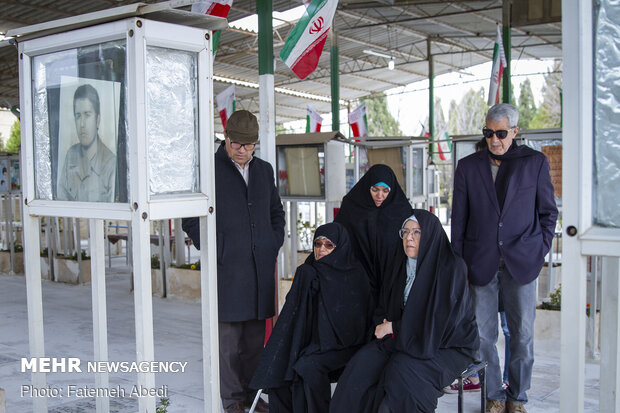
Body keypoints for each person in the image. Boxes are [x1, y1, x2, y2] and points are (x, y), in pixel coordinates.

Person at [451, 103, 558, 413]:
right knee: (484, 336)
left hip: (522, 263)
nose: (494, 139)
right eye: (488, 133)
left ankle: (518, 398)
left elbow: (548, 212)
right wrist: (461, 263)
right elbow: (459, 219)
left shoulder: (533, 163)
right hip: (480, 261)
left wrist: (539, 251)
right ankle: (494, 395)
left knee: (522, 335)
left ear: (514, 131)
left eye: (500, 133)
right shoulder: (468, 167)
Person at [182, 110, 285, 413]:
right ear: (225, 137)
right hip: (227, 271)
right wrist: (217, 249)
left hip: (259, 270)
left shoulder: (264, 170)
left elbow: (275, 213)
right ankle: (231, 401)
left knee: (254, 343)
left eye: (249, 144)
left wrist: (272, 243)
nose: (242, 149)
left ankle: (253, 397)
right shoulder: (208, 171)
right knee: (228, 345)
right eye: (237, 143)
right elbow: (190, 218)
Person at [330, 210, 479, 413]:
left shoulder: (451, 268)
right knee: (360, 366)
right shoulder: (400, 264)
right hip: (404, 338)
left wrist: (394, 327)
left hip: (447, 345)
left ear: (430, 234)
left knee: (402, 373)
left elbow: (440, 322)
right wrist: (388, 326)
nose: (409, 237)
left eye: (417, 232)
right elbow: (384, 306)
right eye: (405, 232)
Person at [250, 222, 372, 413]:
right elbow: (295, 314)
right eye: (318, 243)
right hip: (314, 341)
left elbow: (355, 323)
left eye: (329, 245)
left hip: (345, 344)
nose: (322, 249)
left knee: (308, 367)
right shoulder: (308, 270)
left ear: (340, 247)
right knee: (282, 368)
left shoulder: (354, 274)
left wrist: (322, 344)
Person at [334, 164, 412, 301]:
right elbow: (337, 237)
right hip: (358, 280)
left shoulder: (401, 210)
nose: (379, 196)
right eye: (375, 189)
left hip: (391, 281)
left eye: (385, 190)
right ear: (367, 186)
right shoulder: (352, 206)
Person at [58, 84, 116, 202]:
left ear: (98, 120)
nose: (82, 124)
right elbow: (61, 199)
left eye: (87, 115)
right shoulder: (71, 155)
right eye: (78, 116)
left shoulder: (110, 163)